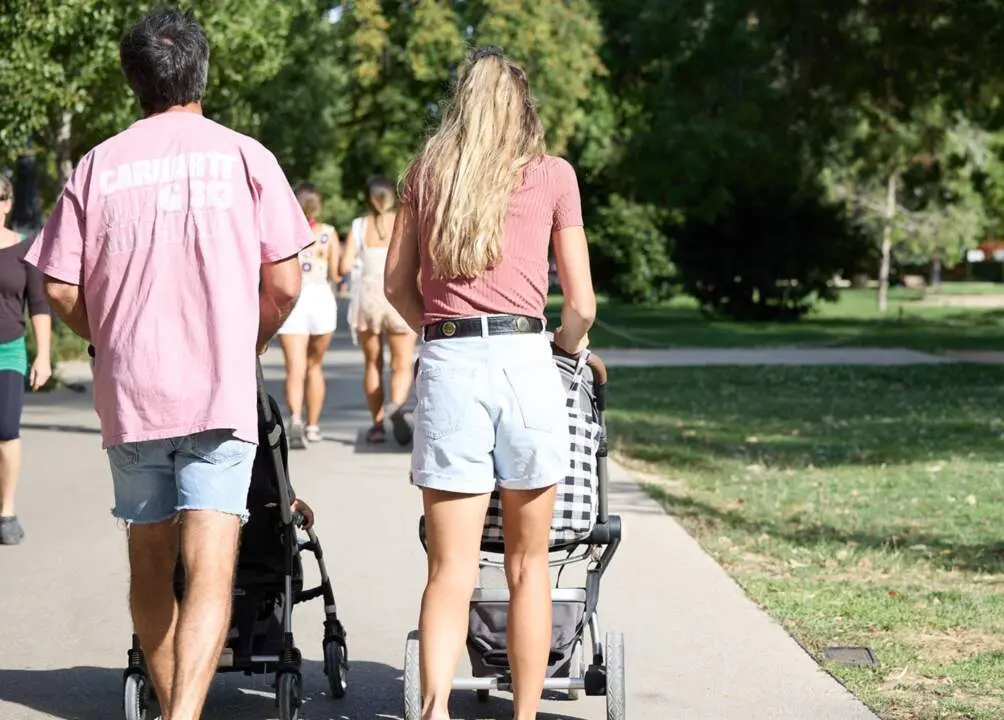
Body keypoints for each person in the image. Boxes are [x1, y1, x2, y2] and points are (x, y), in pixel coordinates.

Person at [25, 9, 310, 720]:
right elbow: (285, 282)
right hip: (217, 392)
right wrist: (246, 341)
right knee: (212, 567)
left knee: (149, 563)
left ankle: (175, 709)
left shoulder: (97, 165)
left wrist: (108, 338)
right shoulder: (247, 158)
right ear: (203, 73)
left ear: (132, 80)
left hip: (133, 397)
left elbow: (58, 286)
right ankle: (183, 715)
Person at [384, 46, 597, 720]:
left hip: (450, 366)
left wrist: (441, 331)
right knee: (529, 565)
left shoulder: (425, 172)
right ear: (523, 108)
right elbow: (583, 305)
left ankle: (436, 710)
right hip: (526, 363)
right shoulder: (554, 176)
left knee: (449, 569)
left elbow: (395, 284)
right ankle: (526, 714)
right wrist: (563, 351)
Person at [340, 176, 417, 445]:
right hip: (399, 295)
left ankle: (377, 425)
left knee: (372, 364)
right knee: (402, 363)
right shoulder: (405, 222)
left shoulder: (360, 226)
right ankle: (396, 405)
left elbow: (344, 265)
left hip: (368, 298)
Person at [0, 175, 52, 545]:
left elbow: (39, 304)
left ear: (7, 203)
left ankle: (6, 511)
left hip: (9, 350)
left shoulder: (25, 249)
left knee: (5, 431)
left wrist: (44, 356)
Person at [277, 182, 339, 448]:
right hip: (321, 299)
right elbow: (336, 272)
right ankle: (313, 426)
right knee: (315, 366)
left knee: (295, 368)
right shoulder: (328, 233)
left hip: (294, 300)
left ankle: (296, 418)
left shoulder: (283, 231)